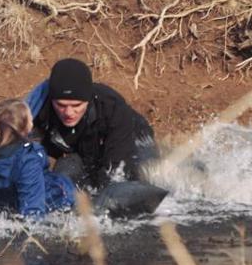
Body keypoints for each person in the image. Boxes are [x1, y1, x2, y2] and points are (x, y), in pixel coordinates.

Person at [26, 58, 160, 189]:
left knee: (132, 177)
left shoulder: (112, 108)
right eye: (61, 105)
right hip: (83, 148)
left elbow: (117, 167)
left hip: (132, 139)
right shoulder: (37, 111)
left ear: (88, 100)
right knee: (66, 172)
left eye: (76, 105)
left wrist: (105, 190)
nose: (68, 113)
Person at [0, 98, 76, 217]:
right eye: (30, 117)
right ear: (23, 130)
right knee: (70, 168)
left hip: (9, 205)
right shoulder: (27, 161)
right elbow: (33, 209)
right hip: (57, 199)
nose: (33, 119)